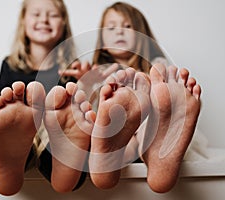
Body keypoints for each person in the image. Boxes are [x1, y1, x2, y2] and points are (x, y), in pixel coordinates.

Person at [60, 2, 201, 192]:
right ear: (101, 39)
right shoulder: (96, 73)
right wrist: (85, 83)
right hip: (117, 135)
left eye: (127, 26)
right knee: (120, 135)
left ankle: (154, 145)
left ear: (142, 34)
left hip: (148, 128)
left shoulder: (157, 67)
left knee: (145, 127)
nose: (119, 32)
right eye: (111, 27)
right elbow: (79, 112)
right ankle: (113, 157)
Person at [0, 0, 91, 195]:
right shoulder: (9, 65)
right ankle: (11, 161)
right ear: (23, 22)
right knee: (15, 131)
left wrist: (87, 83)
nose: (44, 19)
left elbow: (84, 109)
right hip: (22, 136)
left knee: (57, 132)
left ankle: (61, 160)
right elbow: (0, 107)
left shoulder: (73, 70)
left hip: (53, 135)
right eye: (36, 14)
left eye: (52, 15)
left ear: (64, 24)